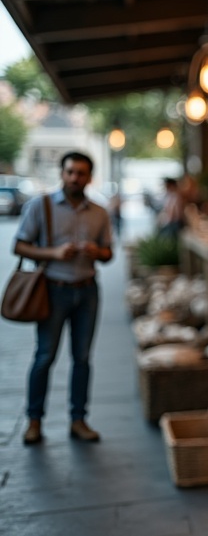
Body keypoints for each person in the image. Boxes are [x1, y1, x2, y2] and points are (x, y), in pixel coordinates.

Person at [13, 151, 113, 445]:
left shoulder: (99, 212)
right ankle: (34, 421)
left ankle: (78, 420)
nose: (74, 178)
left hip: (87, 290)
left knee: (82, 358)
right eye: (70, 172)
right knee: (45, 356)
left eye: (80, 173)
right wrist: (53, 253)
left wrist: (98, 252)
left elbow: (109, 253)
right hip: (53, 289)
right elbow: (19, 245)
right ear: (62, 173)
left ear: (89, 177)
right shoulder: (40, 206)